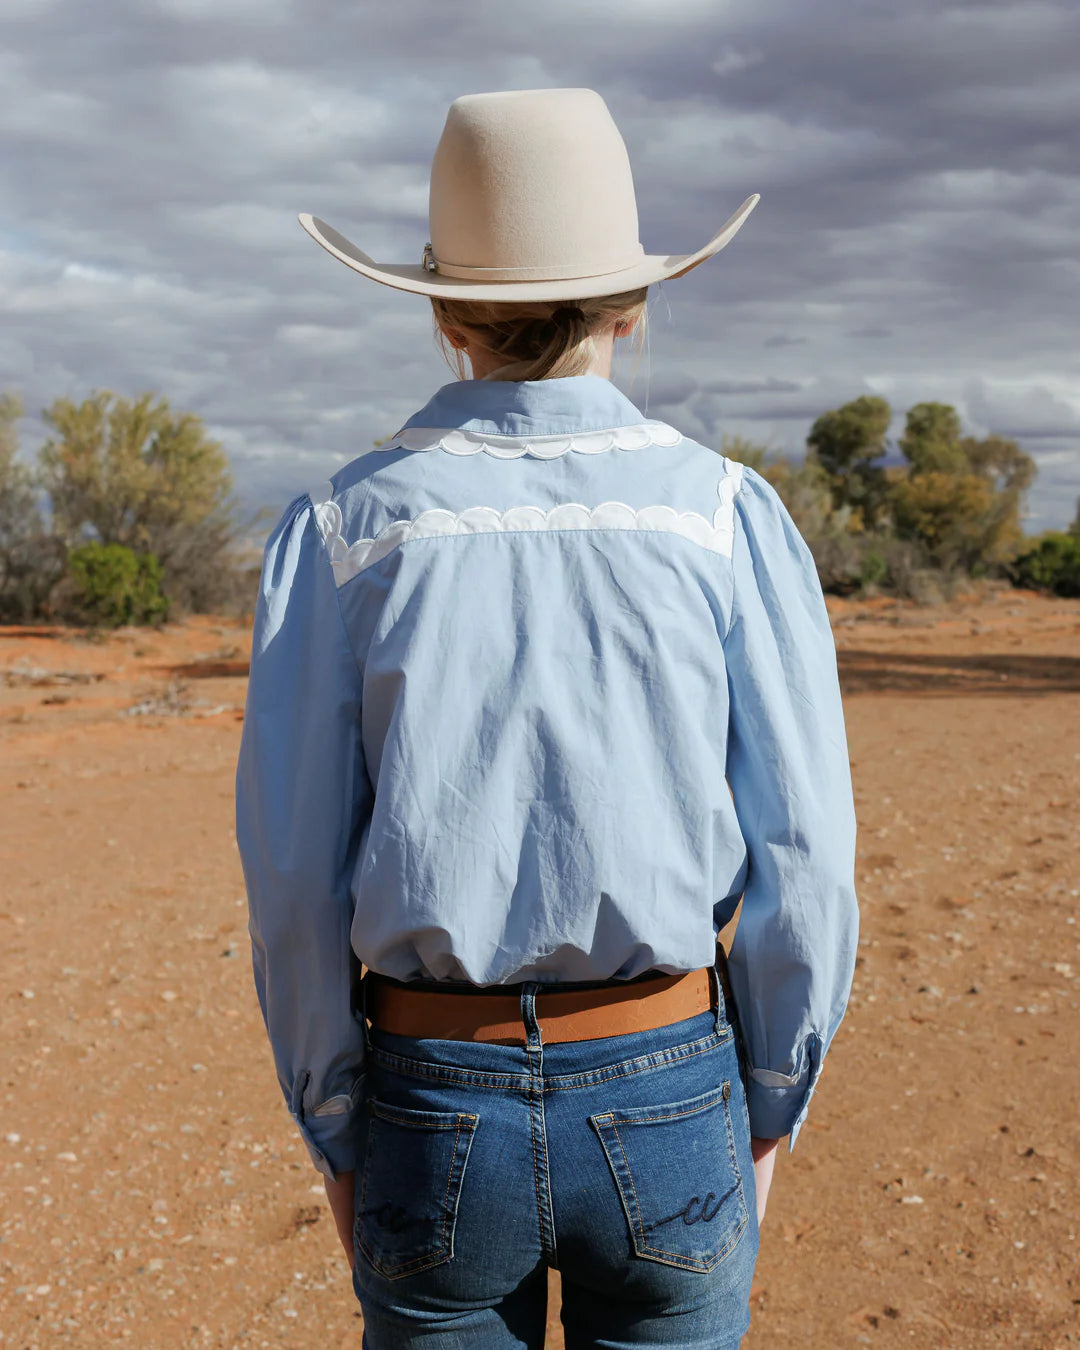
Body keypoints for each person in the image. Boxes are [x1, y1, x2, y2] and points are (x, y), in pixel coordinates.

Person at [235, 87, 859, 1349]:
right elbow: (806, 856)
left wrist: (335, 1122)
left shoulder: (345, 528)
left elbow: (292, 873)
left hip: (429, 1093)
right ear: (634, 306)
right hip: (670, 1075)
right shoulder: (725, 518)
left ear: (441, 313)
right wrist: (771, 1100)